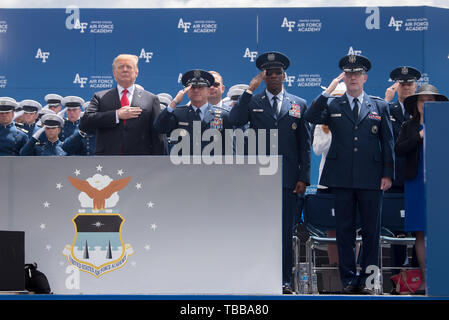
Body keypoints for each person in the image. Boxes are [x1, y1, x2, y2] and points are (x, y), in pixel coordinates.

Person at [304, 54, 394, 295]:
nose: (353, 78)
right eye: (348, 74)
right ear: (344, 77)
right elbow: (310, 117)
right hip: (341, 178)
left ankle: (369, 281)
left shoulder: (379, 106)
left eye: (357, 74)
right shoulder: (333, 104)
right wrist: (327, 91)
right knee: (344, 230)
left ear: (364, 77)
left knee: (371, 231)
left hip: (371, 177)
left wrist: (387, 173)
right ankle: (347, 279)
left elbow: (388, 144)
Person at [228, 51, 311, 293]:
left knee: (284, 232)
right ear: (263, 77)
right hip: (258, 179)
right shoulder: (253, 101)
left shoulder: (299, 104)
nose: (274, 76)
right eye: (268, 73)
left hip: (287, 180)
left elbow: (304, 145)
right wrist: (249, 90)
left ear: (284, 75)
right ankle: (257, 278)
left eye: (278, 72)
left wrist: (303, 177)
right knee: (258, 229)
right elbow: (234, 120)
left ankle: (283, 280)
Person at [394, 84, 448, 295]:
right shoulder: (409, 126)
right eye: (422, 100)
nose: (426, 103)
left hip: (442, 186)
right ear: (416, 104)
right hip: (416, 184)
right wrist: (420, 135)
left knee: (442, 231)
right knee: (421, 234)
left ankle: (443, 276)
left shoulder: (445, 125)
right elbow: (399, 149)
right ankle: (425, 279)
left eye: (430, 100)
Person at [79, 54, 165, 155]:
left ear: (136, 72)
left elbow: (157, 135)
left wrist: (158, 163)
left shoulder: (151, 99)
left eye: (129, 67)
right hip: (108, 160)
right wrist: (116, 115)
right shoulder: (100, 97)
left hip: (141, 162)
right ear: (114, 73)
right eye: (121, 67)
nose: (125, 70)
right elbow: (85, 123)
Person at [385, 66, 422, 277]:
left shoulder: (423, 111)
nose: (406, 87)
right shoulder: (387, 110)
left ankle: (418, 273)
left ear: (416, 86)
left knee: (419, 230)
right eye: (402, 83)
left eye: (410, 84)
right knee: (396, 231)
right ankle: (396, 276)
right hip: (395, 178)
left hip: (418, 177)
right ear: (396, 85)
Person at [154, 69, 232, 156]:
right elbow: (159, 128)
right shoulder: (178, 114)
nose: (196, 90)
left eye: (201, 87)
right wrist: (174, 102)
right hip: (185, 166)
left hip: (213, 167)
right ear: (187, 91)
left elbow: (230, 148)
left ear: (208, 90)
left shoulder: (223, 115)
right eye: (193, 87)